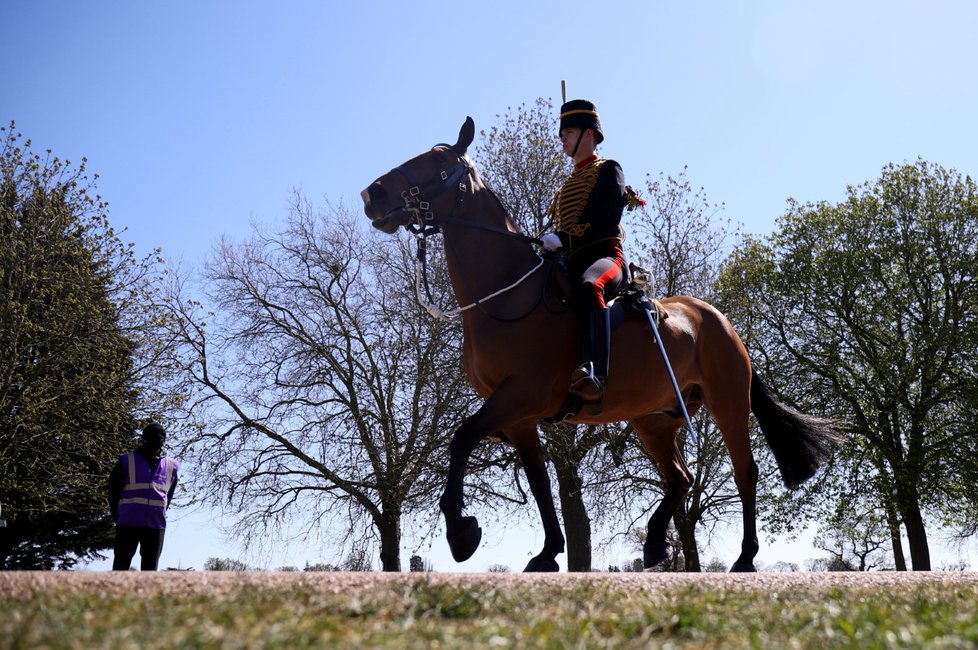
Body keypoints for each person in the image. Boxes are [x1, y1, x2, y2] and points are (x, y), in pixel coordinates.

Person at [541, 99, 640, 405]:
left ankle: (596, 372)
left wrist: (564, 240)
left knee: (590, 285)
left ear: (588, 135)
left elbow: (606, 219)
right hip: (568, 260)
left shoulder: (608, 169)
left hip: (604, 256)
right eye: (562, 133)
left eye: (568, 132)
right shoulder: (566, 185)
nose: (562, 138)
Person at [108, 422, 179, 570]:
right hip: (128, 521)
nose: (156, 440)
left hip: (155, 523)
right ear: (144, 439)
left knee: (150, 570)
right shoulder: (127, 460)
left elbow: (169, 494)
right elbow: (113, 490)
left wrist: (162, 512)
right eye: (152, 436)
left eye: (160, 437)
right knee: (121, 566)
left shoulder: (172, 465)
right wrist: (116, 515)